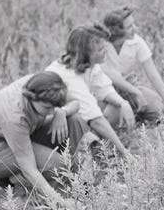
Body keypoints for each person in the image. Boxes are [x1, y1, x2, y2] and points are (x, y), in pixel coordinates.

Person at [0, 70, 82, 209]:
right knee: (58, 165)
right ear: (31, 98)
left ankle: (72, 179)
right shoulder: (14, 115)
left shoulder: (44, 85)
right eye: (48, 107)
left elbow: (75, 102)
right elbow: (29, 167)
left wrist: (61, 112)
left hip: (25, 132)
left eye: (54, 107)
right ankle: (17, 181)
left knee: (74, 120)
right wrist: (60, 202)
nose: (52, 111)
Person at [45, 26, 132, 161]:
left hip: (74, 121)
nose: (105, 51)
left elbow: (104, 89)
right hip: (52, 132)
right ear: (85, 55)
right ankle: (91, 154)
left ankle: (101, 148)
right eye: (100, 49)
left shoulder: (89, 65)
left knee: (115, 106)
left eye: (104, 47)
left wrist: (123, 103)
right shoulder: (68, 75)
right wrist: (125, 152)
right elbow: (96, 120)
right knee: (77, 119)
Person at [99, 7, 164, 126]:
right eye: (130, 26)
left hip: (130, 87)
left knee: (158, 108)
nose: (135, 28)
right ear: (117, 31)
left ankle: (141, 117)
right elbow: (110, 75)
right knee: (108, 118)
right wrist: (136, 92)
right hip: (106, 92)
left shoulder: (136, 42)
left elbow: (153, 74)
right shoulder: (101, 45)